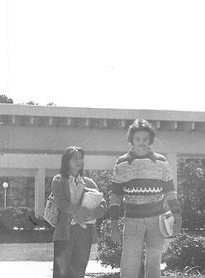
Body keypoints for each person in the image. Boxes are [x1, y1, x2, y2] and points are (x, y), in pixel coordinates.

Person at [109, 119, 182, 278]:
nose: (141, 143)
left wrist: (177, 215)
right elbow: (115, 195)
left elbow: (170, 191)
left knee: (154, 263)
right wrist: (114, 224)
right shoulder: (121, 163)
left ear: (150, 140)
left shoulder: (161, 161)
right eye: (137, 139)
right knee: (129, 263)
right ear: (131, 140)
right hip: (132, 220)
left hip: (157, 220)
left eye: (145, 139)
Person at [52, 146, 107, 278]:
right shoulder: (59, 180)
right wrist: (81, 211)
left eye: (81, 158)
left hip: (85, 234)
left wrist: (91, 214)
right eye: (75, 158)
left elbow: (103, 205)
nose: (79, 161)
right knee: (61, 272)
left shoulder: (90, 182)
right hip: (65, 233)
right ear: (66, 161)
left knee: (79, 270)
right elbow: (62, 203)